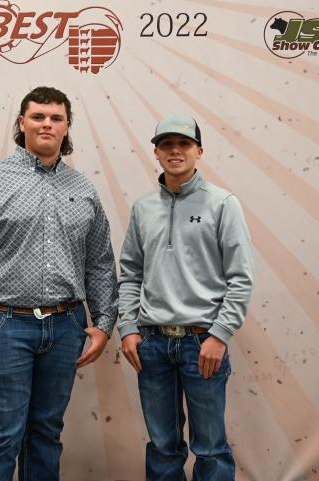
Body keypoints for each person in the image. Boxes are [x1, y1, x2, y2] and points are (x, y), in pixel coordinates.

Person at [0, 86, 118, 481]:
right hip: (1, 327)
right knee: (0, 437)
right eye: (38, 117)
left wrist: (104, 324)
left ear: (67, 127)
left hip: (66, 326)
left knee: (46, 435)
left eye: (56, 118)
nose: (46, 124)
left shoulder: (83, 190)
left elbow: (101, 264)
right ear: (22, 123)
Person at [118, 115, 254, 481]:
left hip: (203, 343)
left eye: (183, 143)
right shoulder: (143, 208)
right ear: (156, 153)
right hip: (152, 344)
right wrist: (128, 328)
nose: (175, 150)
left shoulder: (224, 204)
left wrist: (220, 335)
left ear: (199, 151)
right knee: (163, 445)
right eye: (166, 144)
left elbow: (241, 278)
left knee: (210, 447)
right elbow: (130, 272)